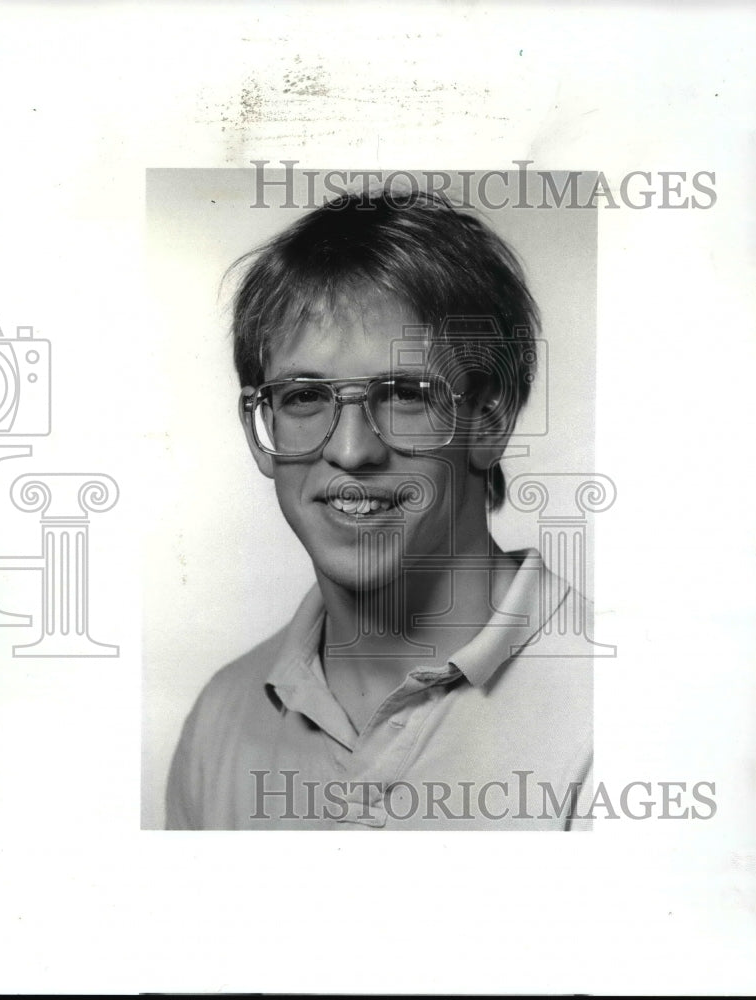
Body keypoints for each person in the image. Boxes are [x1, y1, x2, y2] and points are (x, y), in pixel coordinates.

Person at [166, 187, 593, 830]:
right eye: (305, 396)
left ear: (488, 418)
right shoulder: (218, 718)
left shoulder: (620, 712)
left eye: (404, 393)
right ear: (263, 428)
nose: (351, 450)